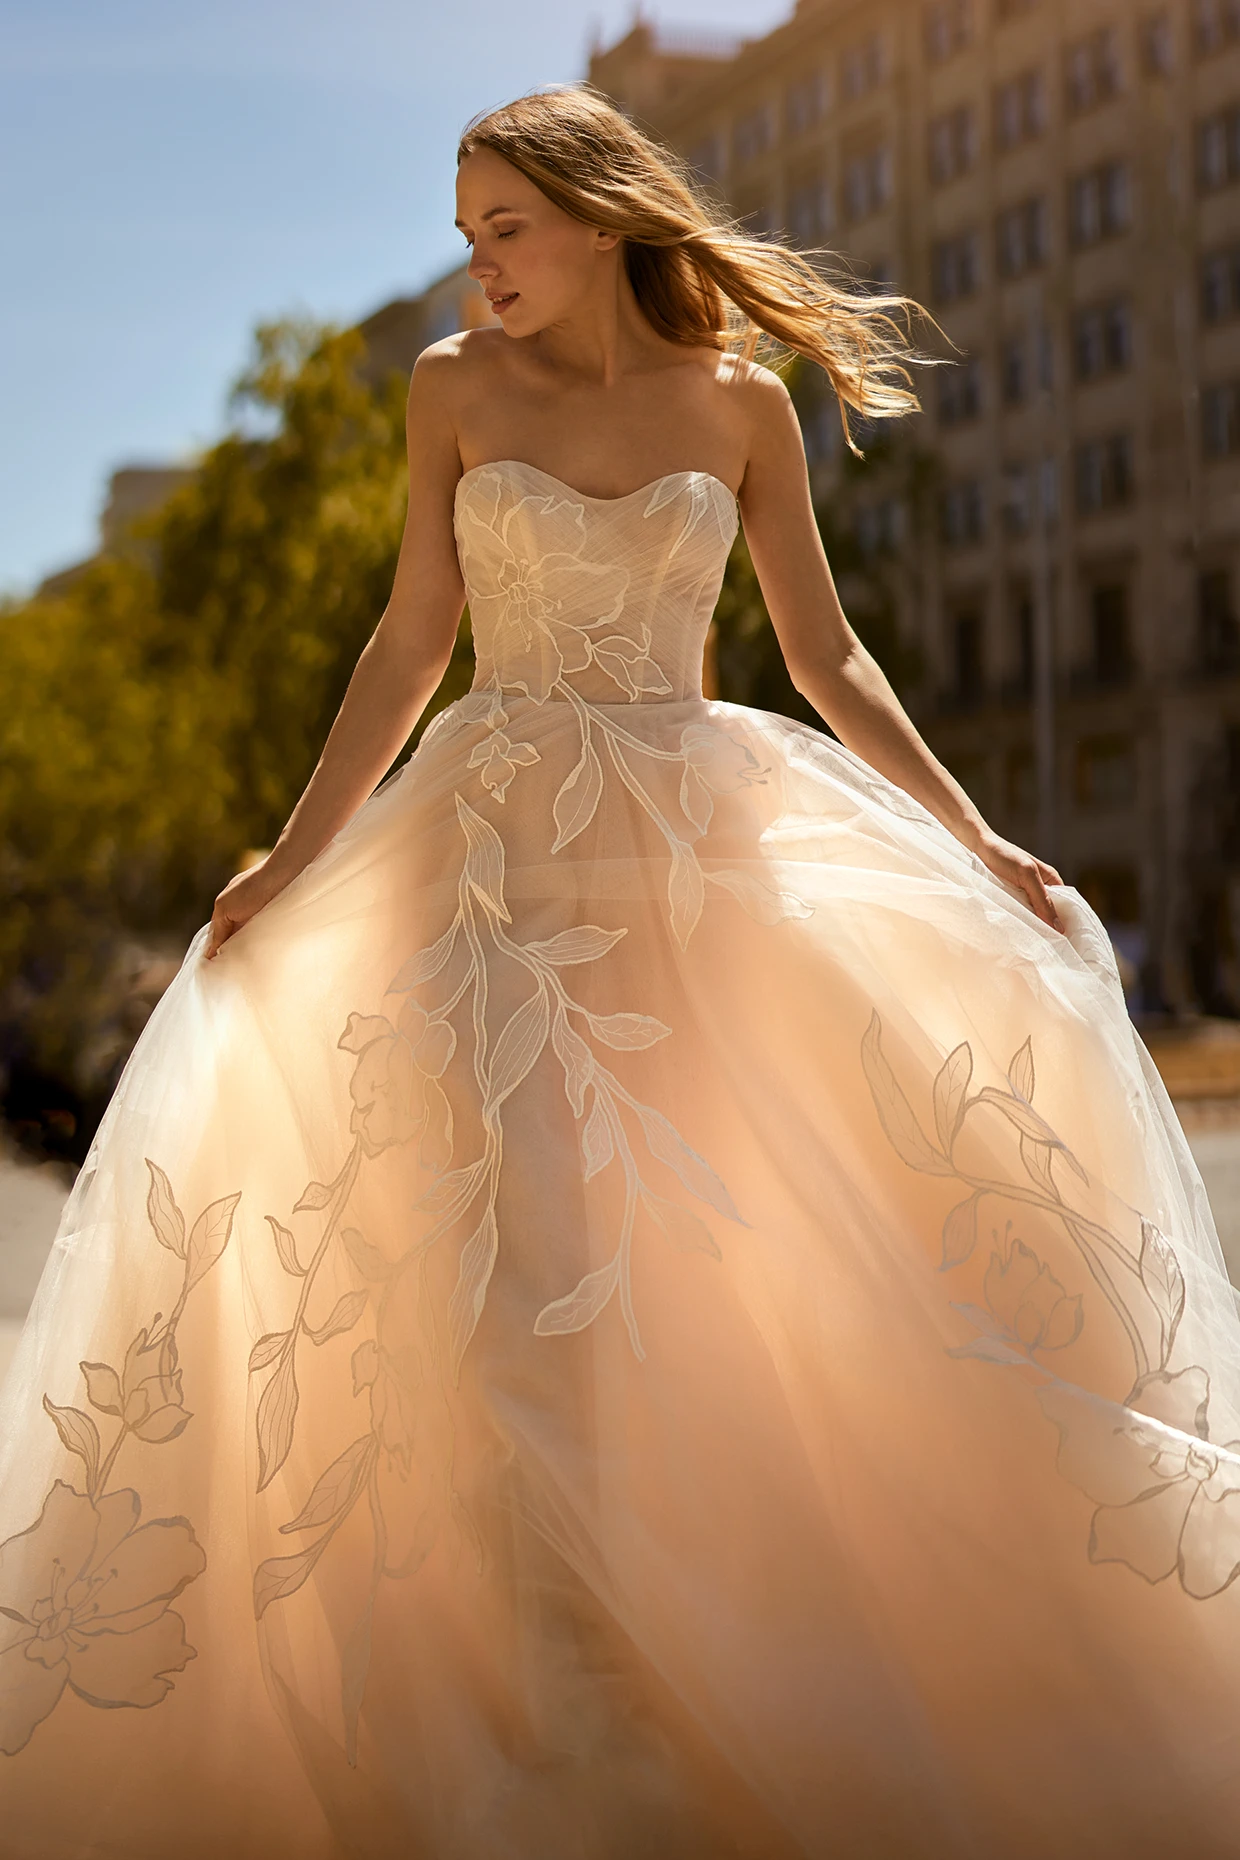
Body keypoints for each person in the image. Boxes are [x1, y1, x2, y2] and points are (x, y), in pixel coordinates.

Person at [1, 83, 1239, 1860]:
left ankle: (692, 1693)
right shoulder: (446, 391)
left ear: (594, 217)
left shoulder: (741, 407)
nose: (476, 263)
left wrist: (976, 842)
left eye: (503, 225)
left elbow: (825, 656)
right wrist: (294, 851)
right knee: (497, 1284)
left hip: (688, 882)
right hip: (487, 878)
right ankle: (535, 1745)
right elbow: (411, 639)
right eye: (462, 231)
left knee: (709, 1273)